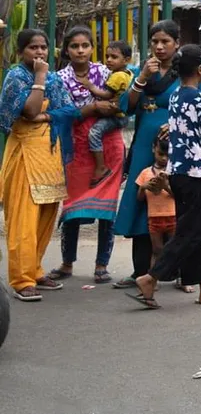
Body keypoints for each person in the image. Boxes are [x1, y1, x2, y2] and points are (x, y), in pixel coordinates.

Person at [128, 45, 201, 310]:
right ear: (200, 69)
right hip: (196, 171)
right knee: (191, 229)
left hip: (177, 171)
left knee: (200, 226)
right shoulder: (200, 97)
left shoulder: (175, 96)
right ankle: (151, 278)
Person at [113, 21, 201, 289]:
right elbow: (127, 108)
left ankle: (178, 272)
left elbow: (200, 107)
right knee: (143, 201)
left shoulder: (185, 73)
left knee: (177, 203)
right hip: (145, 146)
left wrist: (177, 122)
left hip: (179, 147)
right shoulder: (142, 73)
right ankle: (140, 271)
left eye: (165, 41)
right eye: (155, 41)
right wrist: (141, 77)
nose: (159, 46)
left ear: (177, 42)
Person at [0, 29, 78, 301]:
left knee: (45, 216)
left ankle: (35, 270)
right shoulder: (16, 76)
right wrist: (40, 77)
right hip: (24, 155)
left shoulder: (55, 80)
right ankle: (21, 280)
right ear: (21, 51)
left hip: (49, 154)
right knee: (24, 220)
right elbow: (28, 111)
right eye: (33, 48)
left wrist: (45, 116)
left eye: (43, 47)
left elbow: (70, 110)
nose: (40, 53)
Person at [49, 28, 124, 285]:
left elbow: (120, 103)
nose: (80, 50)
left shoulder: (106, 72)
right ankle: (67, 263)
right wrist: (92, 107)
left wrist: (108, 107)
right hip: (76, 147)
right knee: (71, 207)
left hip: (108, 145)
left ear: (92, 48)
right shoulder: (58, 78)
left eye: (85, 45)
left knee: (107, 209)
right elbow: (61, 114)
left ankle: (102, 264)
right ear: (66, 50)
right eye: (74, 46)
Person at [81, 40, 133, 186]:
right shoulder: (127, 72)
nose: (109, 60)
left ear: (126, 60)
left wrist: (90, 85)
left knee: (94, 133)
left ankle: (101, 167)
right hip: (122, 115)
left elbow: (106, 95)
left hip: (116, 116)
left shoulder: (118, 76)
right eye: (107, 56)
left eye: (114, 57)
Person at [135, 138, 175, 270]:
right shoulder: (145, 173)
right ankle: (153, 279)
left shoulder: (174, 172)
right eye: (161, 154)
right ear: (154, 150)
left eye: (167, 155)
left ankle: (181, 279)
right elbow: (140, 198)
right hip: (154, 218)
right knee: (157, 250)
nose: (164, 158)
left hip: (172, 216)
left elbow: (178, 196)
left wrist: (165, 186)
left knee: (175, 249)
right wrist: (143, 187)